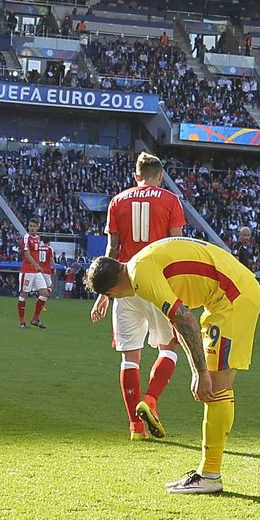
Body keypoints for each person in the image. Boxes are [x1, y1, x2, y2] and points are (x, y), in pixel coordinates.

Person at [85, 237, 260, 494]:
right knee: (214, 386)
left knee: (216, 387)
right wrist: (196, 369)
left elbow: (185, 319)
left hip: (233, 297)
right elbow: (178, 322)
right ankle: (208, 472)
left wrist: (200, 372)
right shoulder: (138, 264)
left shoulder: (140, 277)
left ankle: (210, 474)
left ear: (111, 292)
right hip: (226, 295)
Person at [94, 152, 187, 441]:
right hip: (157, 283)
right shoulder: (170, 200)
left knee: (129, 358)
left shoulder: (117, 201)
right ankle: (151, 400)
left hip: (124, 283)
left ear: (136, 176)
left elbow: (112, 249)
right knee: (169, 347)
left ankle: (136, 428)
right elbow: (176, 245)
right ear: (160, 176)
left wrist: (104, 293)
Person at [17, 219, 51, 328]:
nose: (32, 228)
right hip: (27, 270)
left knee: (44, 293)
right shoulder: (26, 237)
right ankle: (22, 321)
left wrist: (39, 266)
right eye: (30, 226)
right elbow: (26, 254)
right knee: (24, 294)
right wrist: (36, 265)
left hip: (36, 271)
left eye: (34, 226)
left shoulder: (38, 238)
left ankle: (35, 319)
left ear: (38, 227)